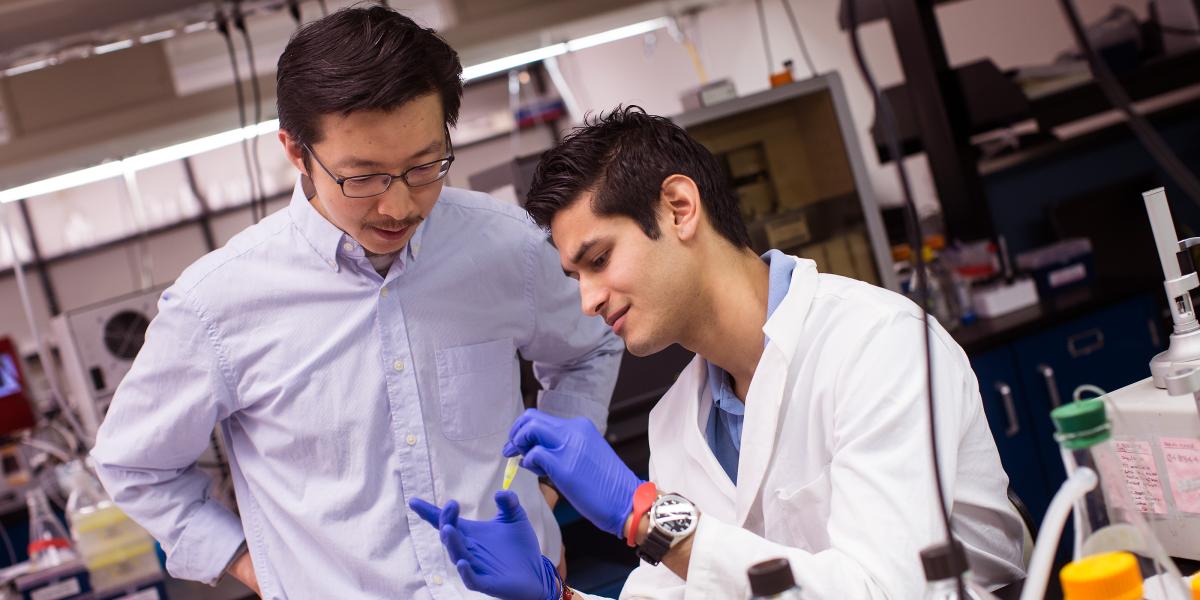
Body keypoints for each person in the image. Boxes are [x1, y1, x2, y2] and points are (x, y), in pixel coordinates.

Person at [90, 7, 622, 599]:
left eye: (425, 166)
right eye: (362, 178)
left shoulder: (505, 246)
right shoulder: (216, 305)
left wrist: (544, 483)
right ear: (297, 153)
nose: (398, 207)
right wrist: (252, 562)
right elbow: (133, 464)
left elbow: (588, 348)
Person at [410, 106, 1026, 599]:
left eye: (598, 261)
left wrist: (646, 517)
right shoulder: (677, 419)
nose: (588, 301)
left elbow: (891, 590)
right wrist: (558, 598)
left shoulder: (875, 345)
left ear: (680, 208)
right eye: (575, 278)